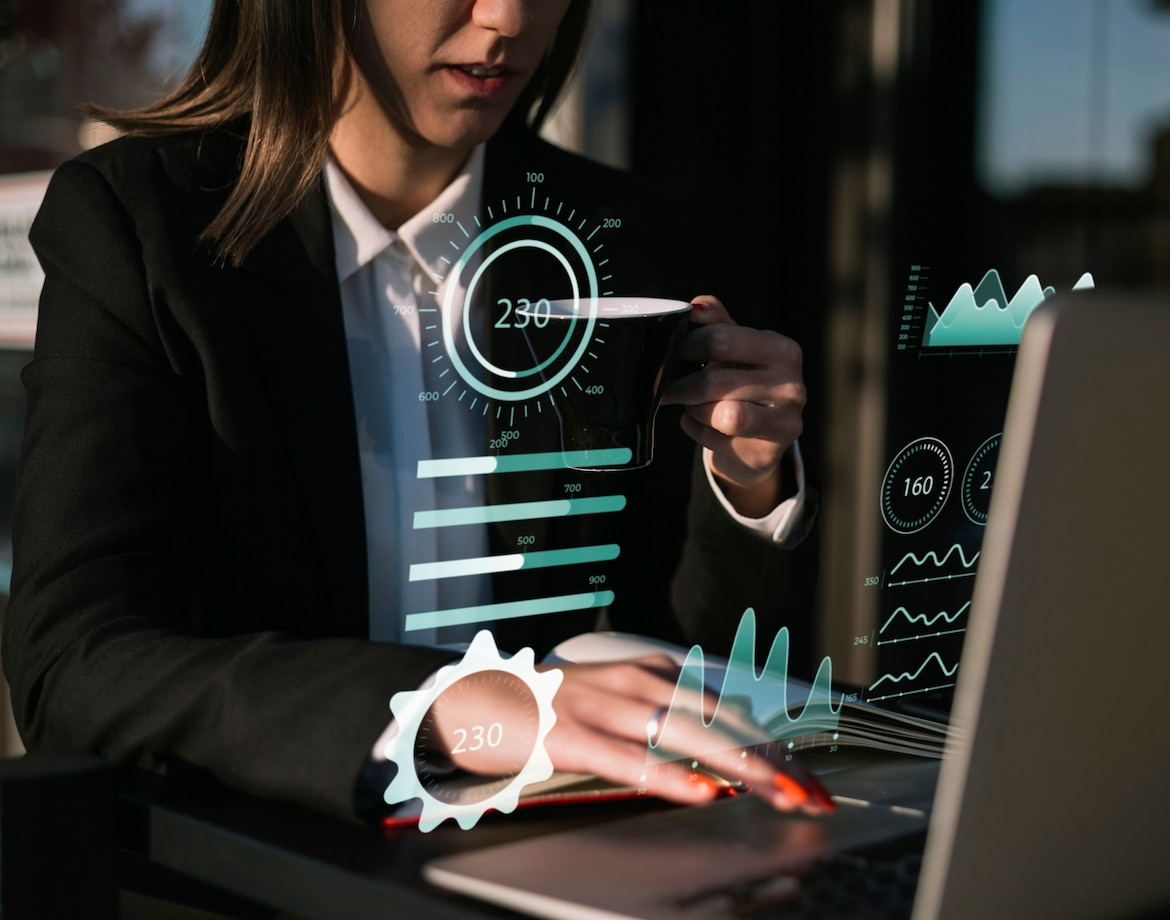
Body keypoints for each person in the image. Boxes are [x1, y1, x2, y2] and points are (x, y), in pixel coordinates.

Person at [3, 0, 829, 824]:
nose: (507, 18)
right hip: (270, 858)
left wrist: (746, 484)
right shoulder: (140, 223)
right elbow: (72, 668)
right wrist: (448, 708)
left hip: (563, 843)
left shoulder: (613, 230)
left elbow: (684, 658)